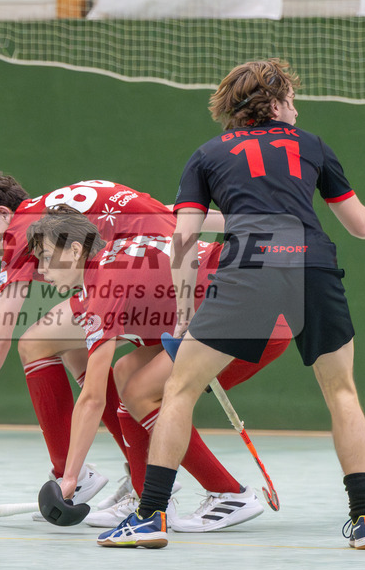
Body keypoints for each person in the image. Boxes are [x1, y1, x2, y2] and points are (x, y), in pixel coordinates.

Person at [115, 58, 365, 550]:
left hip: (249, 269)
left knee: (179, 388)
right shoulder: (312, 146)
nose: (297, 109)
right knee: (342, 392)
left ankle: (151, 517)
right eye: (293, 100)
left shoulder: (205, 155)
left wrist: (183, 314)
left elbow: (183, 240)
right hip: (314, 266)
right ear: (277, 102)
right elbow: (362, 226)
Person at [0, 175, 225, 511]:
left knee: (34, 343)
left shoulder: (22, 231)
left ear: (4, 214)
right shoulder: (48, 209)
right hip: (167, 263)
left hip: (144, 273)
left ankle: (71, 478)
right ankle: (140, 474)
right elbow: (172, 213)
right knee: (79, 354)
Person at [26, 206, 289, 532]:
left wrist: (69, 479)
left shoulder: (104, 287)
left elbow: (93, 398)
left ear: (76, 250)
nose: (40, 270)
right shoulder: (116, 254)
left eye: (46, 257)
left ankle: (228, 493)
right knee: (125, 373)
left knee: (140, 393)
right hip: (246, 304)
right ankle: (145, 497)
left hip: (247, 318)